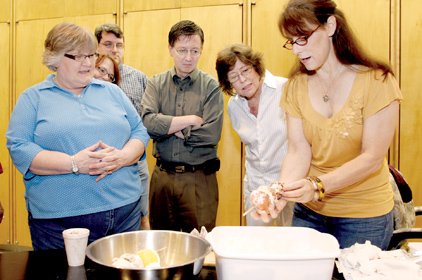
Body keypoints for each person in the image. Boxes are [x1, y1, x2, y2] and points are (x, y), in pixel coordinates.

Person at [251, 0, 402, 250]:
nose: (297, 50)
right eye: (291, 41)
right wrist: (279, 191)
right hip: (310, 212)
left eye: (303, 38)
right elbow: (299, 150)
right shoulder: (295, 87)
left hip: (365, 215)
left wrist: (318, 185)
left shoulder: (377, 81)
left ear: (330, 25)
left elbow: (372, 157)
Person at [6, 22, 150, 250]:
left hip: (125, 214)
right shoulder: (33, 98)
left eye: (91, 55)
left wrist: (123, 157)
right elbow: (19, 148)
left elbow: (139, 131)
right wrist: (73, 163)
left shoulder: (112, 91)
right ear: (55, 58)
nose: (88, 63)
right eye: (78, 56)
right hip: (60, 224)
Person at [141, 20, 224, 232]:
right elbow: (147, 123)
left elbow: (211, 135)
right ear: (170, 49)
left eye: (195, 51)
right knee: (162, 244)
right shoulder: (156, 84)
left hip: (199, 179)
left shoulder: (211, 87)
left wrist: (168, 127)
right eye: (182, 50)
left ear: (201, 50)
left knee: (200, 245)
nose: (189, 57)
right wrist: (190, 120)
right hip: (162, 178)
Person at [215, 43, 294, 226]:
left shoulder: (285, 89)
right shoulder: (234, 107)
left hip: (289, 185)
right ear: (228, 83)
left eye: (245, 70)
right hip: (256, 188)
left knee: (292, 247)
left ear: (256, 67)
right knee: (258, 247)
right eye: (234, 76)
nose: (242, 80)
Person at [95, 23, 151, 230]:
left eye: (119, 45)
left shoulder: (138, 78)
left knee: (141, 215)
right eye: (108, 44)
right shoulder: (88, 77)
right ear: (96, 46)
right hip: (99, 158)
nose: (114, 50)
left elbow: (147, 118)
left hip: (134, 157)